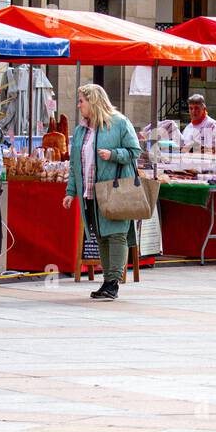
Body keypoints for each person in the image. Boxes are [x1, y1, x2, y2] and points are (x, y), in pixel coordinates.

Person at [63, 83, 143, 301]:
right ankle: (108, 280)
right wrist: (71, 191)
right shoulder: (81, 130)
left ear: (93, 101)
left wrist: (113, 154)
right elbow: (74, 164)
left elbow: (135, 151)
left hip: (114, 188)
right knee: (100, 235)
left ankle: (113, 282)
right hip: (90, 192)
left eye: (82, 101)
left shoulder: (119, 123)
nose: (79, 105)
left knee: (116, 233)